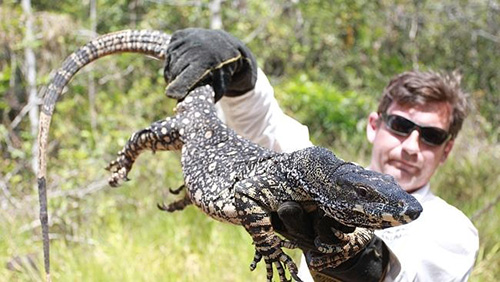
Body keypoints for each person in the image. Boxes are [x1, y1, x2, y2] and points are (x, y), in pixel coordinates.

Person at [163, 28, 479, 281]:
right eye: (400, 125)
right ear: (374, 124)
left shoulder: (452, 230)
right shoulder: (326, 180)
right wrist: (243, 77)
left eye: (432, 135)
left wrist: (366, 266)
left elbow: (413, 271)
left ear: (447, 149)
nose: (411, 146)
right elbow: (269, 130)